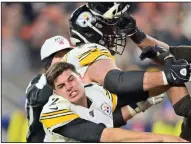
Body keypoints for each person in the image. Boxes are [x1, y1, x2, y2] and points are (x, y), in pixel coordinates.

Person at [25, 36, 164, 142]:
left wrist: (136, 105)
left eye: (68, 53)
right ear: (48, 64)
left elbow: (100, 121)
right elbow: (38, 97)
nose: (66, 58)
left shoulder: (80, 87)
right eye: (60, 56)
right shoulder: (39, 83)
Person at [41, 62, 187, 142]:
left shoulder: (94, 90)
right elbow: (102, 135)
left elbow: (109, 118)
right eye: (61, 86)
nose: (69, 87)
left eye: (71, 79)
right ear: (56, 93)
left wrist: (170, 79)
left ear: (80, 77)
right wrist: (161, 138)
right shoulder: (53, 111)